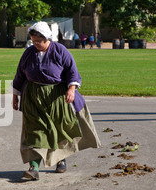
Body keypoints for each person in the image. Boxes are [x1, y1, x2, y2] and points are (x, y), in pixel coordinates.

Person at [11, 21, 101, 181]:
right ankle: (34, 167)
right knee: (34, 130)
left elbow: (72, 72)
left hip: (56, 97)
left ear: (47, 39)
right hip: (33, 97)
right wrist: (15, 96)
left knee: (57, 129)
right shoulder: (28, 53)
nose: (35, 44)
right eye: (33, 41)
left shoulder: (60, 51)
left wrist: (71, 90)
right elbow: (20, 76)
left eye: (38, 41)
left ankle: (61, 159)